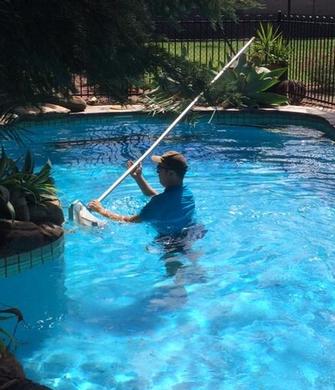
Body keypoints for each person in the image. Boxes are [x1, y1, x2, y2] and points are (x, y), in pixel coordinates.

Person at [88, 151, 195, 236]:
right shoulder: (187, 193)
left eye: (159, 169)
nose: (157, 172)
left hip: (170, 244)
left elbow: (129, 221)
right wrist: (138, 178)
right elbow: (159, 198)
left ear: (171, 173)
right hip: (191, 234)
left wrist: (101, 210)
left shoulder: (158, 203)